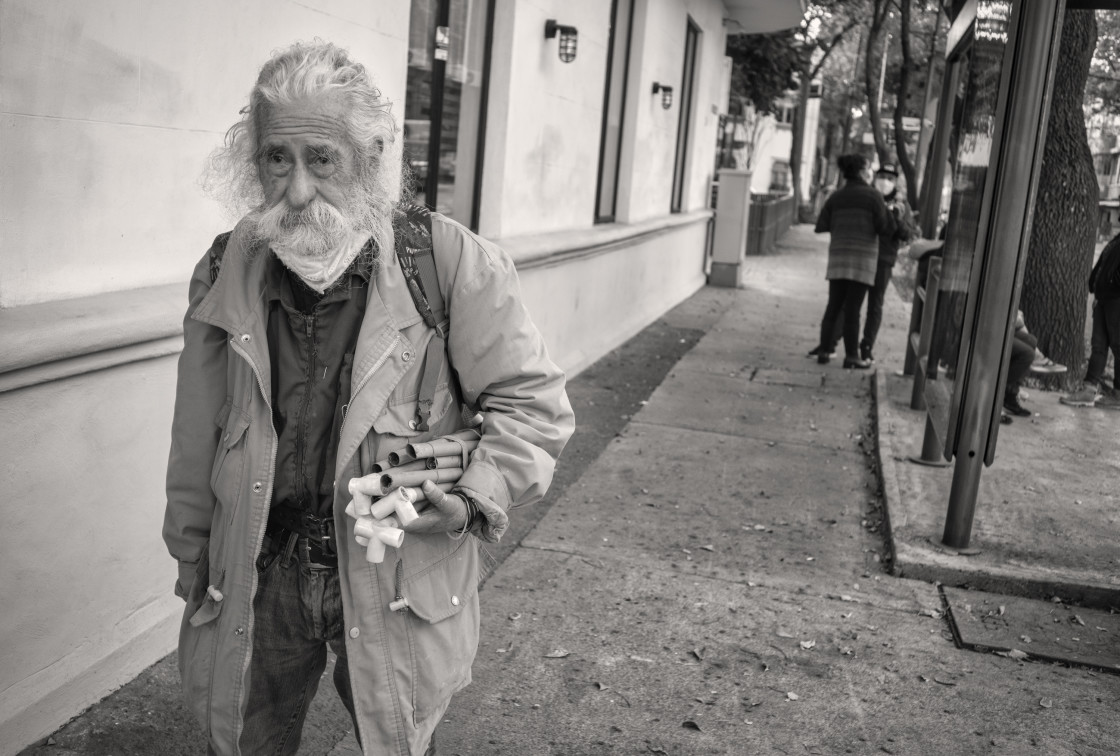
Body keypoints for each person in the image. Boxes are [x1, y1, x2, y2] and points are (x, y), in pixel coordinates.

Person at [163, 41, 575, 755]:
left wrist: (475, 491)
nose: (295, 189)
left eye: (321, 158)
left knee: (397, 741)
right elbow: (197, 433)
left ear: (372, 154)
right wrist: (194, 563)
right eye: (275, 158)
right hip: (259, 573)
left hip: (398, 573)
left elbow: (532, 408)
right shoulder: (227, 266)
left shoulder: (449, 261)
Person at [808, 154, 894, 369]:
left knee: (833, 307)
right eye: (867, 167)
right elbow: (884, 228)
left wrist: (843, 225)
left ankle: (824, 352)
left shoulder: (836, 197)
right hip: (862, 262)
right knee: (853, 310)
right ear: (860, 171)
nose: (870, 171)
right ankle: (851, 356)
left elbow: (820, 225)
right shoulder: (874, 197)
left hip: (838, 258)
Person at [1061, 232, 1120, 409]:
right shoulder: (1117, 240)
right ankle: (1088, 390)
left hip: (1116, 300)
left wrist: (1108, 287)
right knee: (1098, 346)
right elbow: (1103, 265)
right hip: (1104, 299)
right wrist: (1097, 287)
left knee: (1118, 346)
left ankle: (1118, 396)